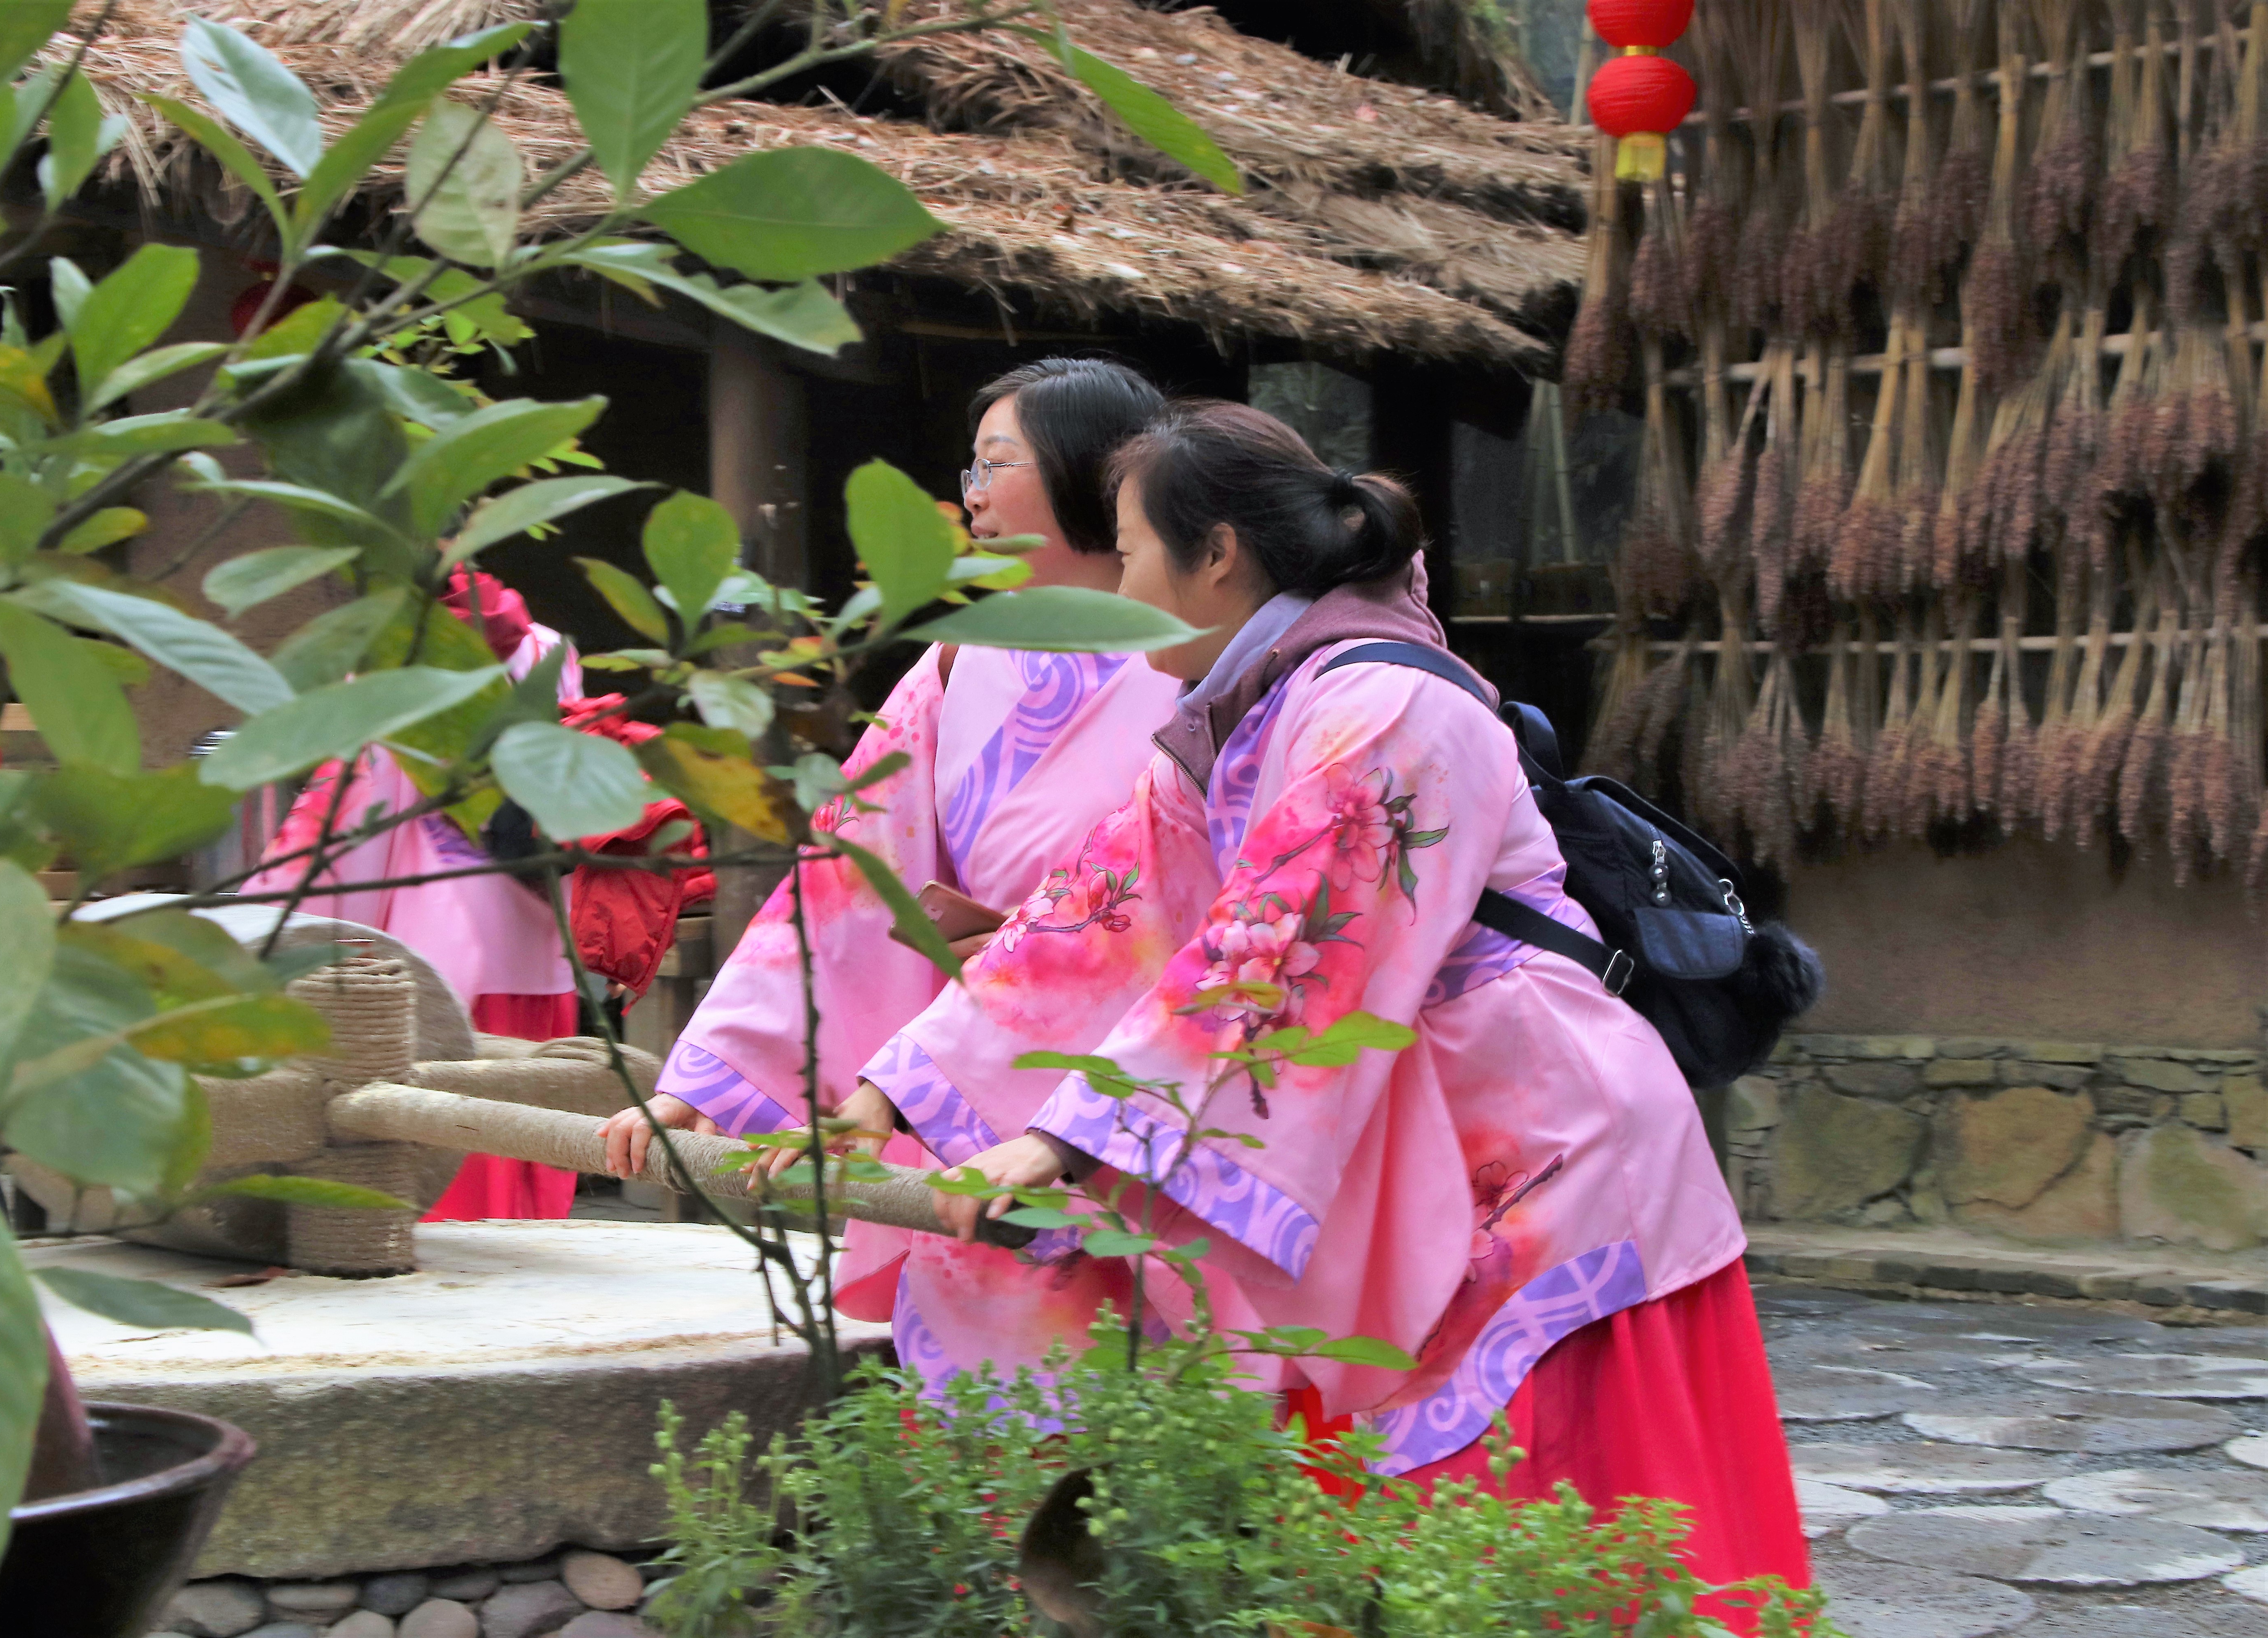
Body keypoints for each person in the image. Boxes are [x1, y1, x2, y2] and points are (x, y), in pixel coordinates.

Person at [846, 401, 1807, 1614]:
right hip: (1438, 1143)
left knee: (1550, 1532)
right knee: (1431, 1530)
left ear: (1216, 556)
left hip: (1547, 1157)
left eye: (1132, 552)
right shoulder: (1231, 724)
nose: (1120, 585)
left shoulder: (1387, 705)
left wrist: (1061, 1141)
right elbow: (1087, 922)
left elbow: (1276, 948)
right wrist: (892, 1091)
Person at [599, 359, 1183, 1370]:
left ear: (1090, 472)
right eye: (972, 467)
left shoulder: (1198, 668)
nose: (973, 493)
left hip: (1135, 1062)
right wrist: (708, 1072)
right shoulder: (957, 658)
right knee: (978, 1368)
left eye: (998, 463)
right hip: (961, 1065)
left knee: (1148, 1374)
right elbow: (844, 875)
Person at [245, 569, 589, 1219]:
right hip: (534, 915)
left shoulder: (389, 660)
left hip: (430, 918)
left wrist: (285, 927)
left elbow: (354, 809)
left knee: (437, 1098)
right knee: (535, 1094)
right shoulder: (552, 650)